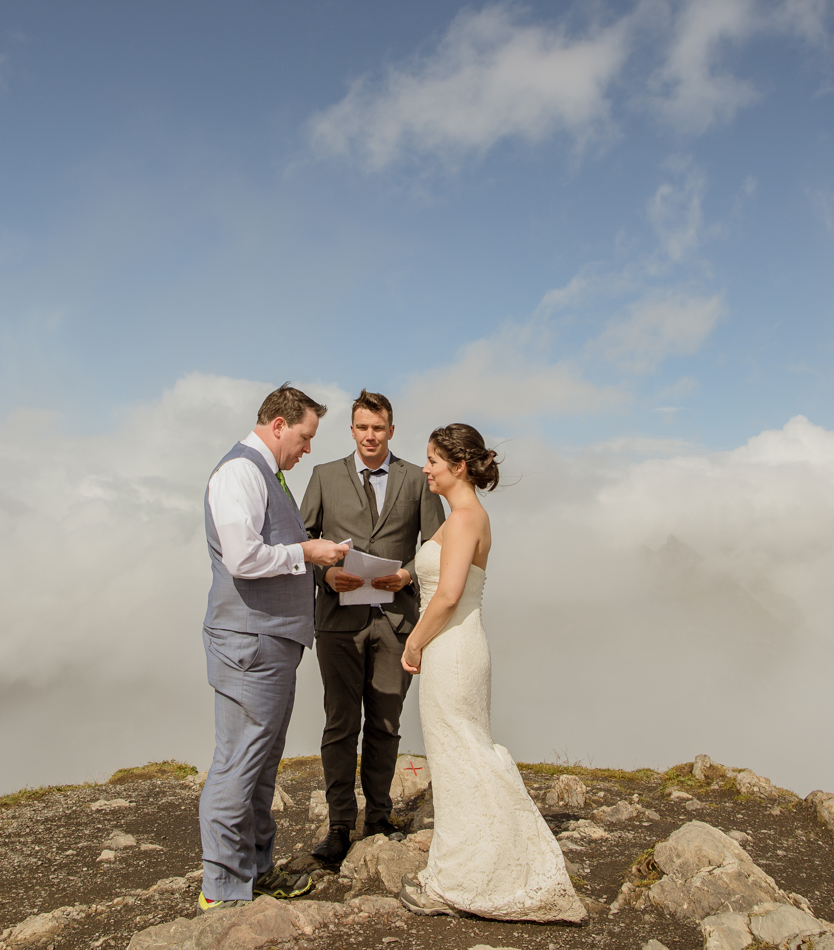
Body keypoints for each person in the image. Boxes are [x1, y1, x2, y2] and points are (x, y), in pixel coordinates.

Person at [397, 424, 586, 923]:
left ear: (458, 466)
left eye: (434, 460)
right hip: (459, 646)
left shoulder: (463, 520)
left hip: (451, 648)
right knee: (460, 753)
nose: (426, 468)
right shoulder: (468, 516)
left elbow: (450, 594)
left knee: (462, 755)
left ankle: (463, 879)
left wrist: (414, 640)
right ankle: (466, 867)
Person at [198, 385, 351, 913]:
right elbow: (242, 557)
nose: (307, 448)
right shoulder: (240, 471)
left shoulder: (266, 473)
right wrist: (306, 551)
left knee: (260, 764)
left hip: (270, 643)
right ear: (279, 424)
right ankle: (222, 889)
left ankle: (255, 871)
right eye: (305, 437)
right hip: (249, 643)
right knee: (238, 763)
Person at [299, 390, 446, 864]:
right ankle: (340, 825)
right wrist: (325, 573)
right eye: (362, 427)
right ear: (352, 429)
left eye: (377, 428)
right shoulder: (323, 476)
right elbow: (301, 541)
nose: (369, 435)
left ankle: (379, 819)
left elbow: (437, 544)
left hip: (397, 620)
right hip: (339, 621)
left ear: (391, 430)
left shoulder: (416, 480)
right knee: (341, 724)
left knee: (385, 724)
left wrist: (406, 573)